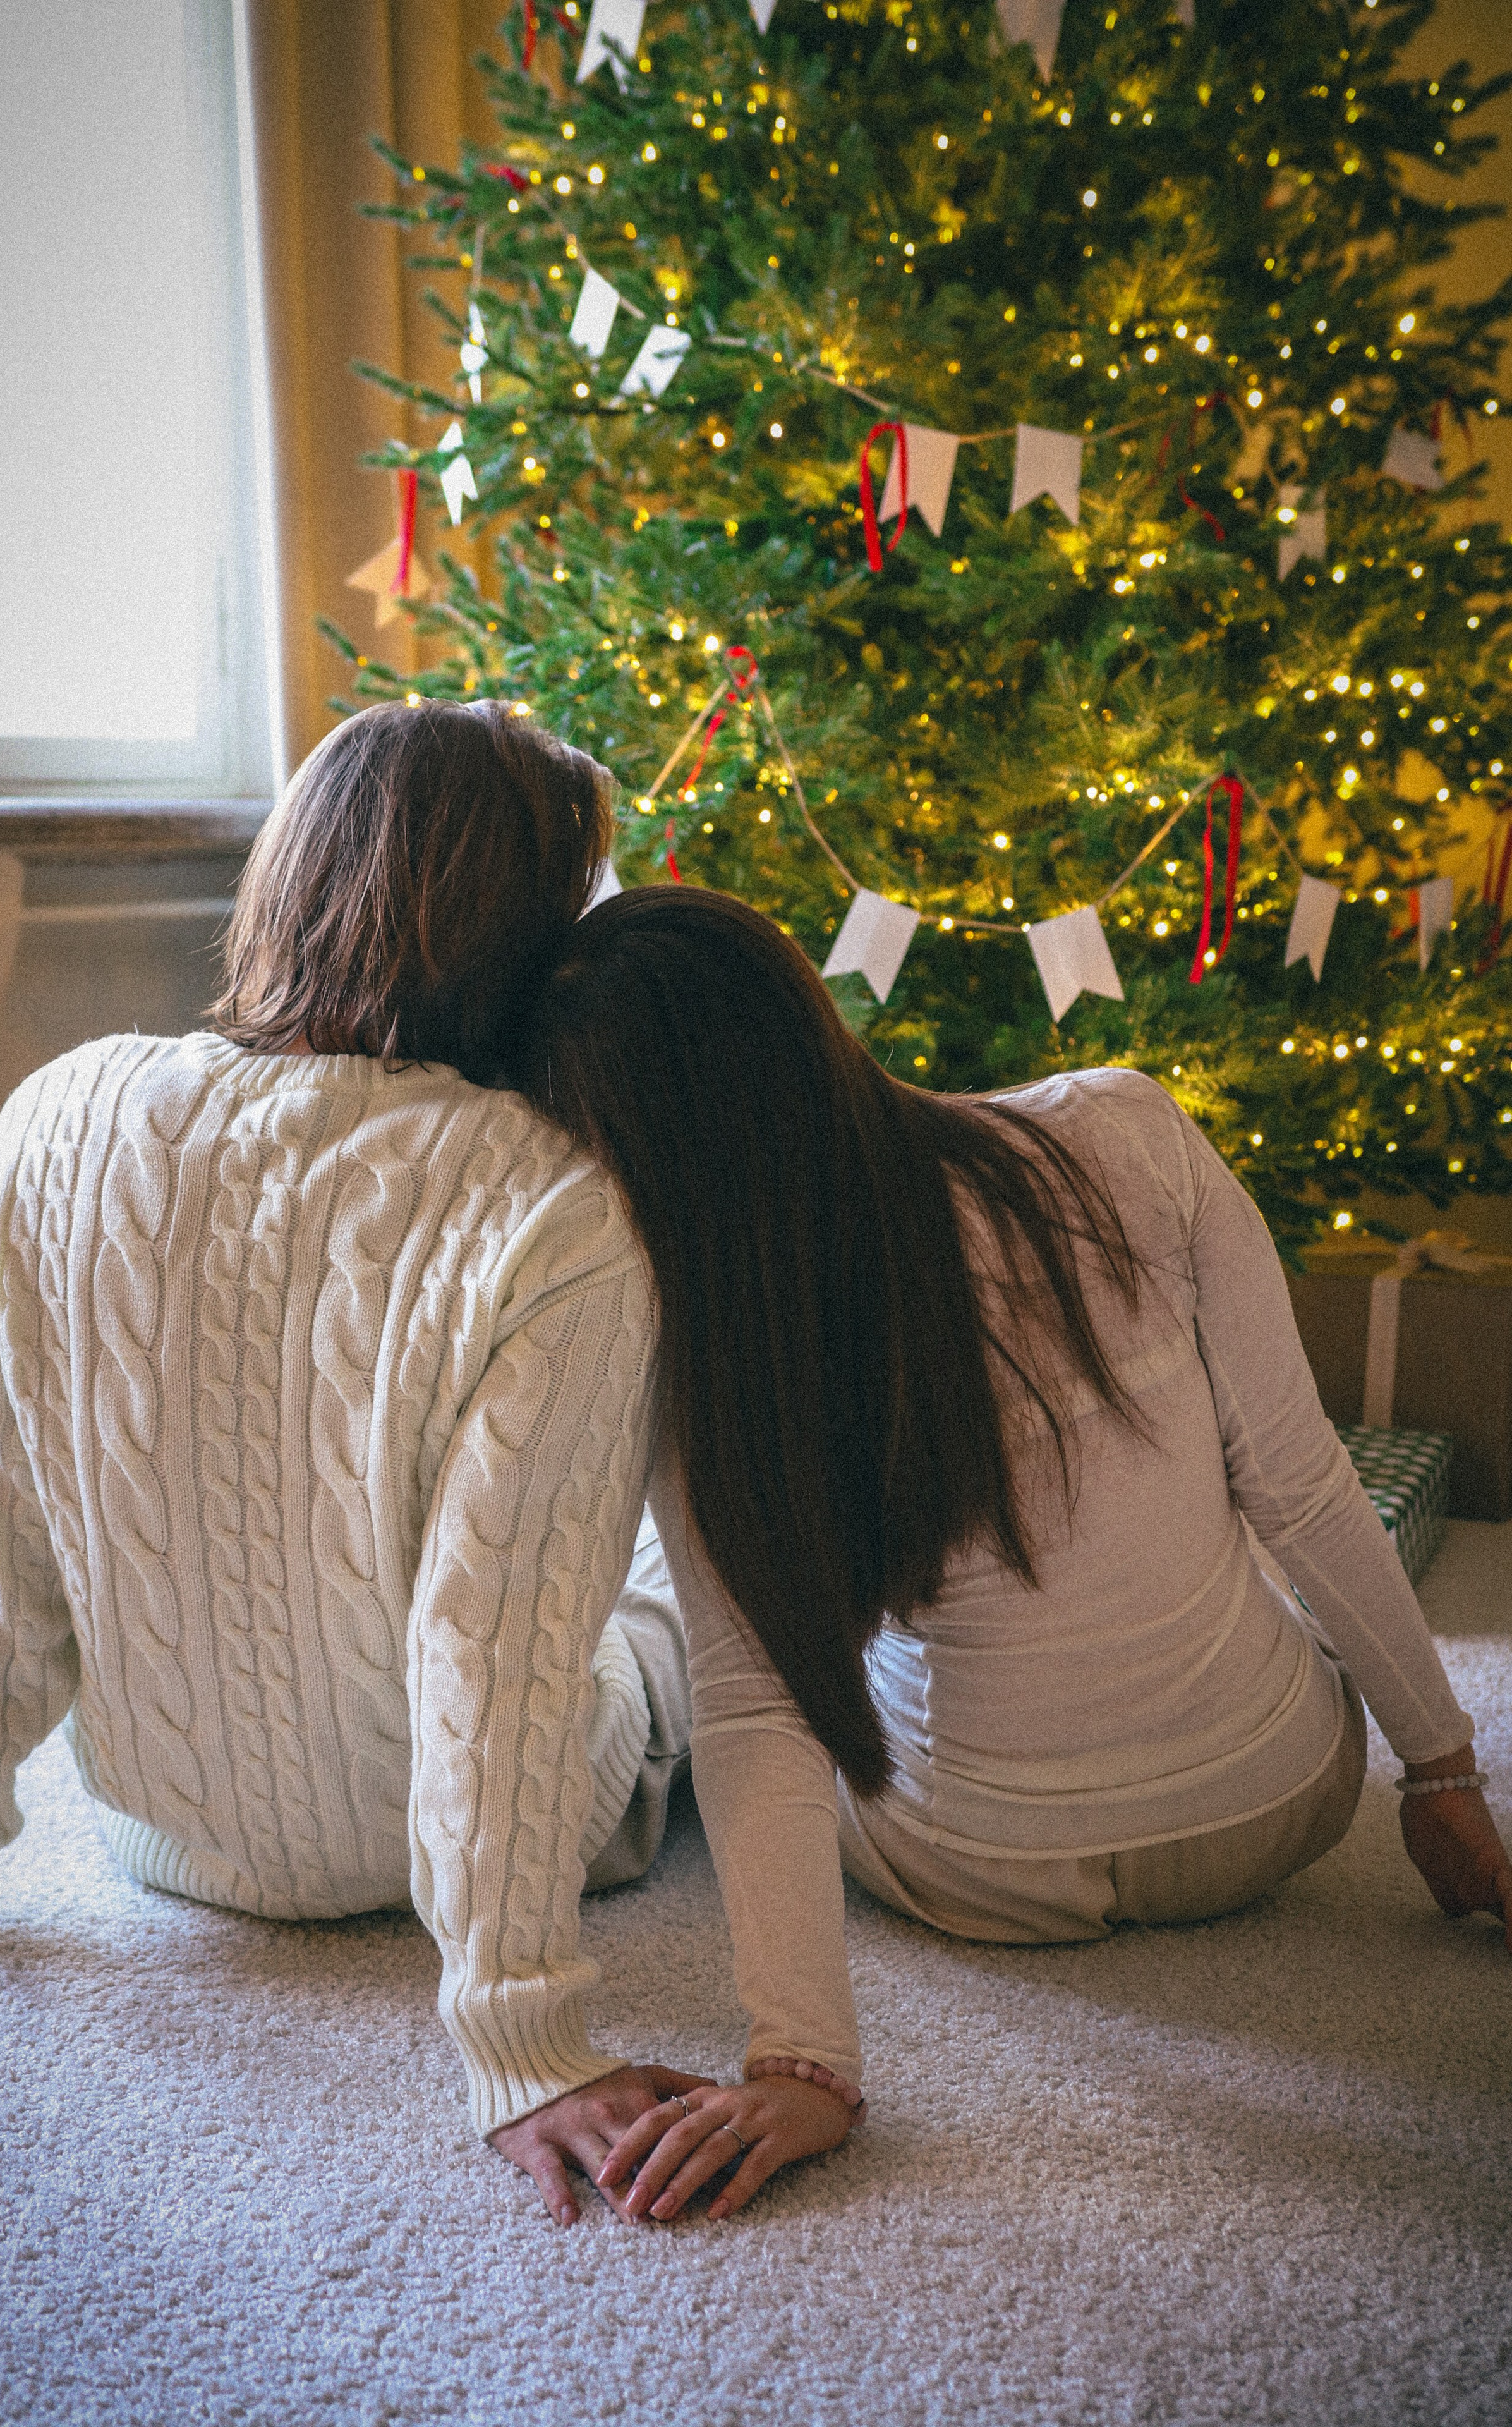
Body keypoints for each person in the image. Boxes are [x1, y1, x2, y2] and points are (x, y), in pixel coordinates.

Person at [503, 884, 1512, 2227]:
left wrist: (802, 2060)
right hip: (1271, 1808)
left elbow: (760, 1702)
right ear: (805, 1010)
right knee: (1266, 1591)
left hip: (975, 1874)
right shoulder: (1125, 1130)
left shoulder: (702, 1343)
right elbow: (1299, 1483)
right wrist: (1438, 1771)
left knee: (716, 1666)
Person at [0, 702, 701, 2226]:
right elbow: (498, 1647)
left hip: (161, 1833)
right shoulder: (559, 1204)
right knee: (655, 1571)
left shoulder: (45, 1126)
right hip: (424, 1850)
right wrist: (519, 2036)